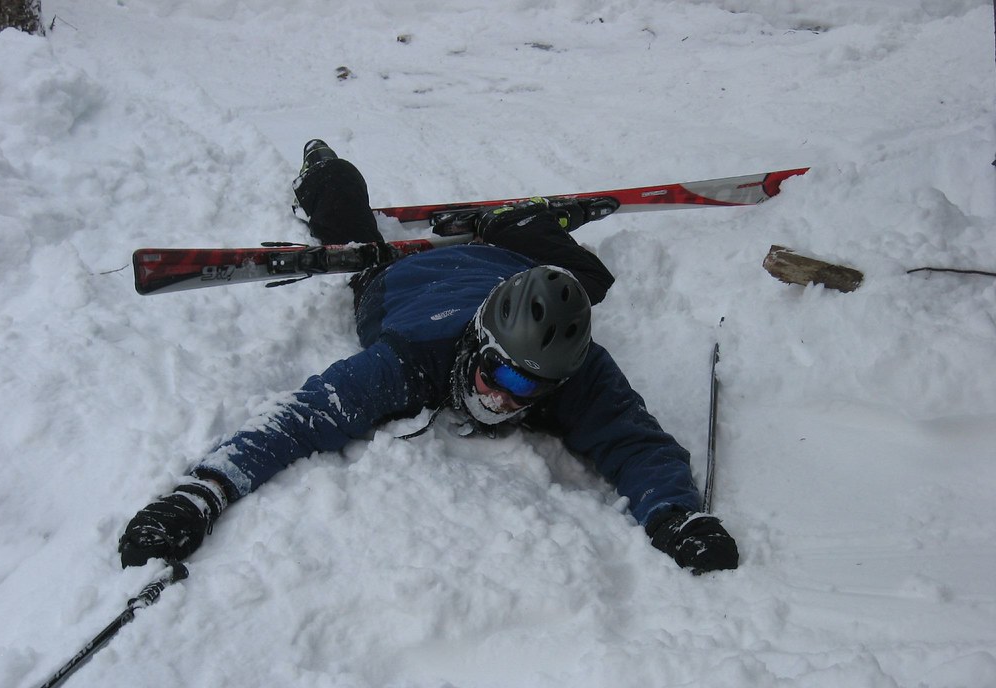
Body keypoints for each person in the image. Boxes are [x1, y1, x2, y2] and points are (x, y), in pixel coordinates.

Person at [118, 141, 739, 574]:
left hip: (510, 267)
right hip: (400, 283)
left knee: (588, 278)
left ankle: (516, 228)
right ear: (477, 345)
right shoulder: (410, 360)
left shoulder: (574, 367)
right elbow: (300, 420)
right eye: (495, 375)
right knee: (354, 238)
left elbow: (635, 443)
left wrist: (675, 516)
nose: (501, 398)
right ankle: (324, 170)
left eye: (526, 392)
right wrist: (198, 495)